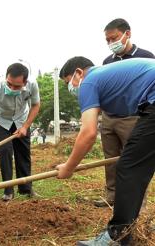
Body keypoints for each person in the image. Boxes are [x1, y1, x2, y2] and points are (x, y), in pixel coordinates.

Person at [57, 57, 155, 245]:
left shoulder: (89, 81)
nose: (70, 87)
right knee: (139, 161)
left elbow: (88, 133)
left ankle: (116, 236)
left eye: (68, 81)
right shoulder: (109, 79)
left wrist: (69, 167)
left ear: (79, 72)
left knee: (129, 167)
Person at [94, 18, 155, 208]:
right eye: (107, 40)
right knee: (110, 159)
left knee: (135, 160)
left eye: (113, 38)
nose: (111, 43)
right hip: (109, 117)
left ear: (127, 34)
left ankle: (139, 202)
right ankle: (111, 195)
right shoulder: (107, 61)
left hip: (133, 117)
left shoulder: (146, 56)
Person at [0, 63, 40, 201]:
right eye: (9, 84)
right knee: (4, 152)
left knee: (23, 153)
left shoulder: (32, 85)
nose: (11, 88)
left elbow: (36, 105)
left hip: (22, 120)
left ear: (25, 82)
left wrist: (25, 126)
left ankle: (26, 188)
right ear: (6, 78)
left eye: (16, 86)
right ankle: (8, 191)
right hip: (1, 120)